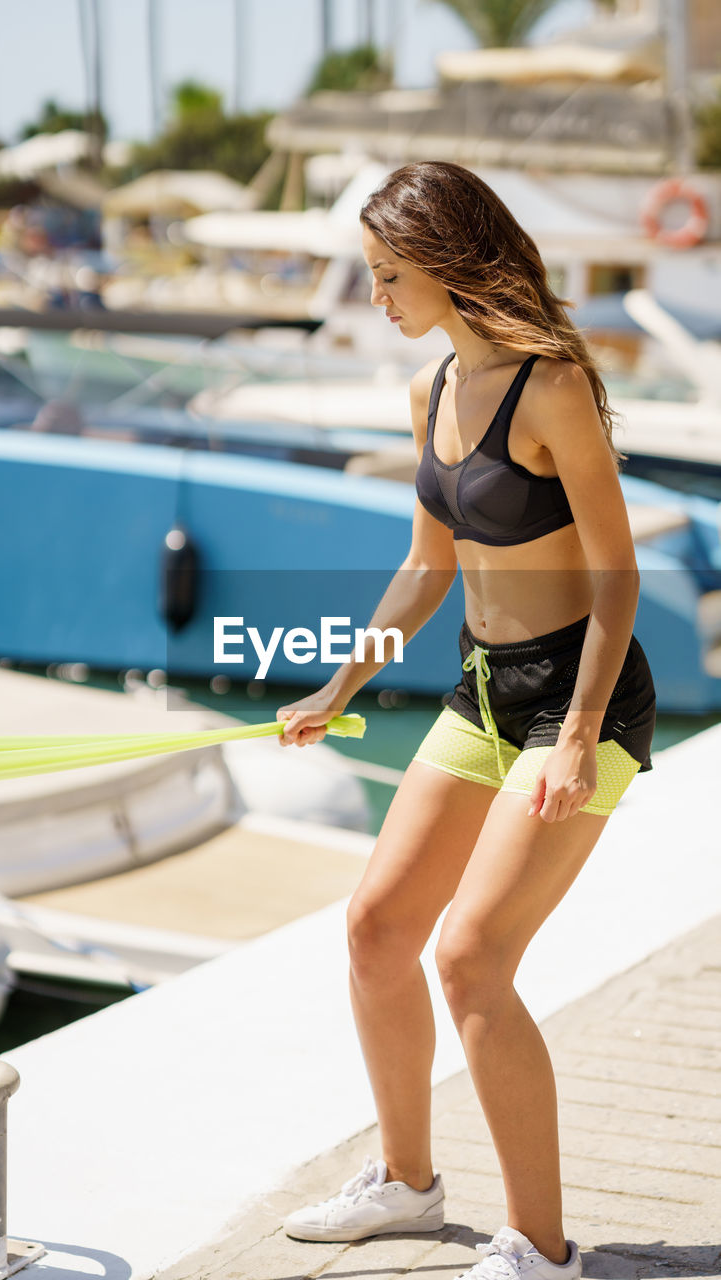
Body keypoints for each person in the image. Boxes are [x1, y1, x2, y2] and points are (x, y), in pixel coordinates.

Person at [275, 162, 655, 1280]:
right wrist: (338, 683)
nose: (378, 294)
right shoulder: (429, 389)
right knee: (376, 928)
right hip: (484, 687)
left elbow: (618, 576)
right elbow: (425, 565)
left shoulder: (551, 387)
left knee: (473, 953)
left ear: (444, 261)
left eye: (390, 273)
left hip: (577, 691)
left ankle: (540, 1247)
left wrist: (581, 732)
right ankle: (405, 1182)